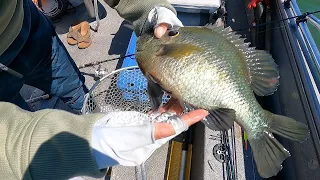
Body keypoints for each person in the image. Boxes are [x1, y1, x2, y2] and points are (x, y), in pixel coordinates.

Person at [0, 0, 209, 179]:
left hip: (32, 33)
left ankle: (89, 114)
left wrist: (150, 10)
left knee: (75, 91)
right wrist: (87, 145)